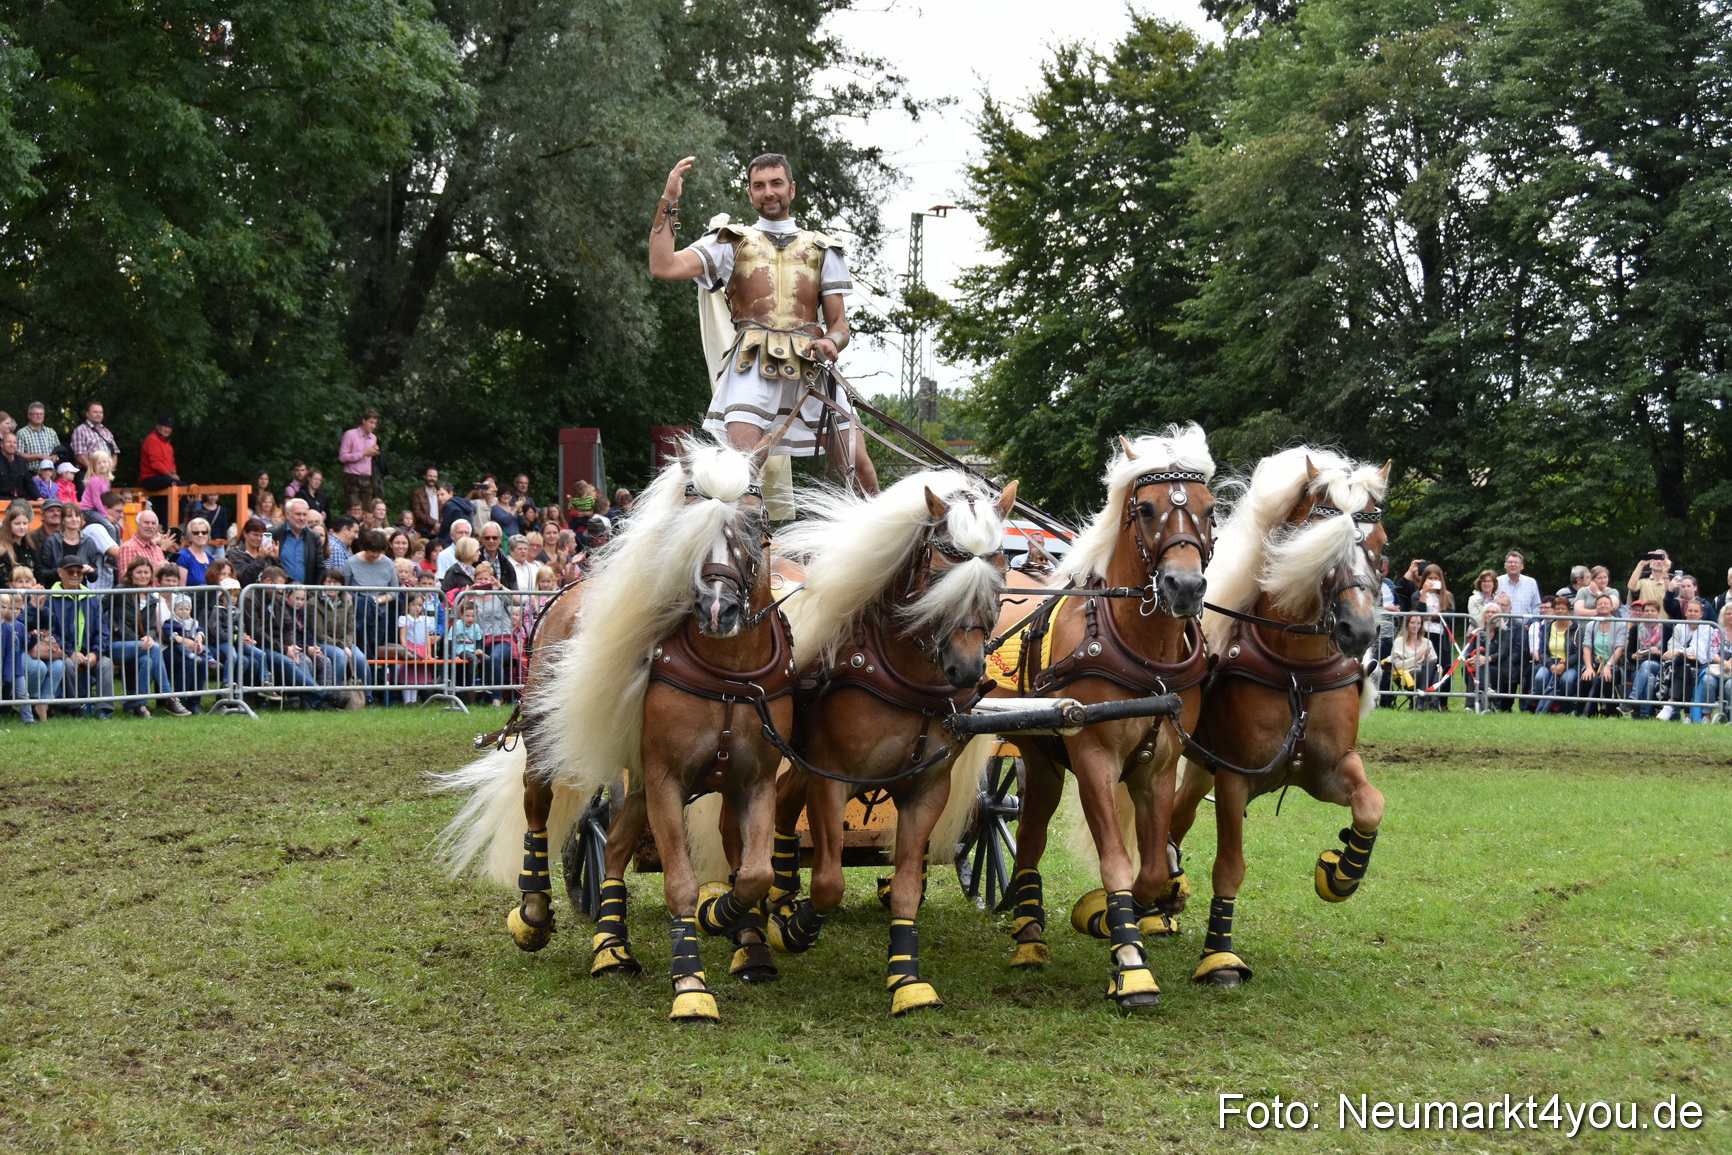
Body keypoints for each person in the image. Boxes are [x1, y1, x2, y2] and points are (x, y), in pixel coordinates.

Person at [650, 153, 878, 493]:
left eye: (776, 183)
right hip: (751, 363)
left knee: (860, 467)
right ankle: (744, 529)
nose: (768, 192)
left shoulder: (822, 249)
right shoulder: (730, 241)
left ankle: (881, 528)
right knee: (739, 472)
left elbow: (839, 325)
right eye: (759, 186)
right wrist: (669, 200)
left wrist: (831, 342)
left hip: (811, 365)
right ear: (750, 193)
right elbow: (663, 265)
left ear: (792, 189)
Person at [110, 556, 186, 716]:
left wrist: (150, 636)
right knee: (155, 648)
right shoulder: (120, 590)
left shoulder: (152, 598)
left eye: (146, 572)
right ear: (131, 574)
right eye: (139, 572)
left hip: (141, 646)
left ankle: (139, 705)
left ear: (151, 574)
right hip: (117, 644)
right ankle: (168, 696)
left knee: (147, 660)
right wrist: (114, 626)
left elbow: (152, 627)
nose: (143, 575)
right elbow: (100, 610)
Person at [46, 557, 116, 718]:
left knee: (106, 663)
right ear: (60, 573)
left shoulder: (92, 597)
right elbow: (51, 631)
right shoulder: (51, 598)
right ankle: (74, 707)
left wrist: (95, 653)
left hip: (89, 651)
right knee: (68, 664)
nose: (75, 575)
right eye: (70, 571)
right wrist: (70, 652)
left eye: (79, 572)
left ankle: (103, 709)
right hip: (63, 652)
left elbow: (102, 630)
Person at [1659, 597, 1713, 722]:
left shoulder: (1707, 628)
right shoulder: (1679, 627)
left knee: (1683, 664)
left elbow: (1698, 650)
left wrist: (1680, 651)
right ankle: (1685, 715)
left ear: (1701, 614)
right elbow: (1672, 645)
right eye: (1690, 611)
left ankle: (1671, 704)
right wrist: (1680, 652)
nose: (1693, 614)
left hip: (1701, 664)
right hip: (1682, 664)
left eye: (1696, 611)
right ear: (1685, 612)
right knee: (1685, 668)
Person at [1578, 593, 1627, 717]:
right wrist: (1589, 667)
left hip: (1614, 665)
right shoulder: (1591, 625)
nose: (1603, 605)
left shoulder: (1620, 624)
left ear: (1612, 607)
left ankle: (1611, 712)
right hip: (1595, 664)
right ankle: (1586, 712)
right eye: (1600, 604)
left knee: (1606, 678)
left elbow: (1620, 648)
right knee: (1586, 679)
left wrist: (1608, 666)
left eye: (1606, 603)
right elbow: (1587, 647)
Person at [161, 594, 209, 713]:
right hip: (172, 648)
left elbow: (200, 631)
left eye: (186, 609)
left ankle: (194, 702)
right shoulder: (172, 621)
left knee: (202, 663)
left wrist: (199, 638)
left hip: (192, 649)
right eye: (180, 608)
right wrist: (181, 640)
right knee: (189, 663)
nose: (183, 611)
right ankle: (179, 701)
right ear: (174, 609)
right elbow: (168, 632)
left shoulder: (193, 622)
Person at [1690, 602, 1732, 723]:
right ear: (1723, 615)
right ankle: (1706, 716)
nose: (1731, 616)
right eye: (1728, 613)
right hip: (1718, 668)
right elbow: (1712, 653)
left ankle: (1730, 716)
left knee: (1730, 685)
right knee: (1707, 680)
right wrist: (1723, 662)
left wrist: (1730, 663)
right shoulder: (1718, 631)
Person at [1387, 613, 1438, 709]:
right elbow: (1396, 665)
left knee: (1433, 668)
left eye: (1418, 623)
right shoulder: (1399, 641)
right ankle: (1431, 702)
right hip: (1407, 672)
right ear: (1407, 624)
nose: (1415, 626)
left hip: (1425, 670)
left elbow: (1432, 664)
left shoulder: (1427, 642)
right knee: (1433, 675)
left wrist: (1425, 657)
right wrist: (1416, 658)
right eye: (1413, 623)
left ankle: (1423, 701)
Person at [1627, 600, 1668, 718]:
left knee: (1647, 664)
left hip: (1659, 665)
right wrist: (1633, 656)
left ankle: (1632, 698)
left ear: (1658, 612)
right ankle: (1645, 714)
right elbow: (1629, 652)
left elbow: (1669, 653)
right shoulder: (1635, 628)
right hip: (1637, 667)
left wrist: (1659, 652)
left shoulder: (1666, 628)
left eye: (1652, 611)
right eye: (1646, 611)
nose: (1649, 613)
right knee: (1650, 678)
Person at [271, 498, 325, 586]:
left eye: (304, 514)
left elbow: (320, 568)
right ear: (287, 515)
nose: (302, 518)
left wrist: (314, 591)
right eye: (298, 514)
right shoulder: (274, 533)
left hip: (306, 591)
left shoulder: (314, 537)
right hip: (279, 591)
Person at [137, 413, 181, 519]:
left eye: (169, 427)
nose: (167, 429)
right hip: (150, 478)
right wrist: (171, 476)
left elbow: (171, 463)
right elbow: (156, 463)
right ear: (158, 426)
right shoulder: (152, 440)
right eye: (165, 426)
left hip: (162, 479)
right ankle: (178, 520)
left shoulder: (167, 444)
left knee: (177, 488)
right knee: (178, 486)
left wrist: (174, 473)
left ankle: (170, 522)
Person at [338, 409, 381, 512]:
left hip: (367, 477)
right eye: (371, 422)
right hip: (352, 476)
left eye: (375, 423)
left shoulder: (373, 438)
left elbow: (371, 455)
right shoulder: (350, 434)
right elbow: (342, 457)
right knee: (354, 509)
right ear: (363, 421)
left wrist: (375, 452)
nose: (373, 426)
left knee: (367, 511)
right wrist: (363, 453)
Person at [117, 509, 167, 576]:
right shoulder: (128, 547)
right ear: (137, 524)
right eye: (146, 522)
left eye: (153, 523)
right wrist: (156, 569)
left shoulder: (158, 549)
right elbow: (125, 578)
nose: (150, 526)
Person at [1, 500, 40, 581]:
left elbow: (39, 571)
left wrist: (40, 585)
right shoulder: (3, 550)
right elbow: (4, 579)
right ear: (9, 524)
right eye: (17, 524)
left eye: (25, 523)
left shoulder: (30, 546)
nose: (22, 527)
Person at [16, 401, 59, 467]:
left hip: (51, 471)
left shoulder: (51, 432)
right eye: (35, 414)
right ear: (29, 416)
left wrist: (56, 456)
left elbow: (59, 451)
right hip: (31, 471)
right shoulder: (22, 433)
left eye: (41, 414)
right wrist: (39, 456)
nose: (39, 416)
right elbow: (18, 455)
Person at [175, 517, 216, 586]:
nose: (200, 535)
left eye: (204, 532)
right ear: (190, 535)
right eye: (196, 533)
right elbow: (181, 588)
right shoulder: (183, 556)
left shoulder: (211, 558)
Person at [475, 524, 517, 589]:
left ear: (500, 539)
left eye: (494, 538)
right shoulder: (474, 560)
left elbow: (514, 590)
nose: (491, 541)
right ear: (482, 539)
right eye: (487, 538)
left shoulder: (506, 563)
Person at [412, 466, 442, 537]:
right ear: (424, 476)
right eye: (430, 476)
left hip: (440, 530)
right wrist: (434, 523)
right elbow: (416, 513)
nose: (432, 478)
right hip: (424, 531)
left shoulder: (440, 493)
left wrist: (440, 525)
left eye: (435, 476)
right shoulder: (417, 493)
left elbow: (444, 511)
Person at [0, 430, 31, 500]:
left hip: (19, 500)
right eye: (9, 442)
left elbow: (28, 482)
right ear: (1, 444)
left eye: (14, 442)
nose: (12, 444)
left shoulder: (21, 461)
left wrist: (39, 497)